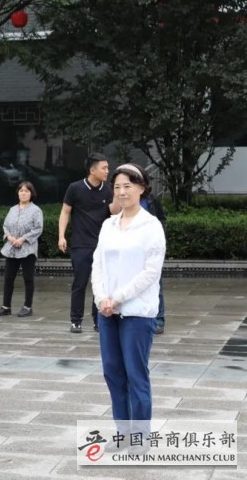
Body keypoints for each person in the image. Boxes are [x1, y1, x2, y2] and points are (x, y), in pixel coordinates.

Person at [92, 163, 165, 447]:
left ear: (141, 188)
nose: (122, 192)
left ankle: (140, 437)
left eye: (128, 186)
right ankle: (122, 433)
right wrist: (101, 298)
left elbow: (150, 272)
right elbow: (98, 264)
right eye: (117, 187)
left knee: (136, 375)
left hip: (136, 312)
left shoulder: (151, 226)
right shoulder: (108, 225)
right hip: (108, 311)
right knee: (113, 373)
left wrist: (118, 297)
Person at [58, 153, 119, 333]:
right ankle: (75, 320)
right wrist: (61, 236)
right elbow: (65, 212)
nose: (107, 171)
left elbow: (115, 212)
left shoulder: (108, 190)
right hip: (81, 244)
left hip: (103, 245)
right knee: (80, 283)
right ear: (92, 170)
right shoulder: (75, 188)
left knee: (100, 284)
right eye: (104, 168)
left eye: (108, 168)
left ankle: (98, 319)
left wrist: (117, 193)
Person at [0, 181, 44, 317]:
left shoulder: (36, 210)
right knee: (8, 278)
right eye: (21, 191)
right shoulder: (12, 209)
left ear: (31, 193)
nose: (23, 193)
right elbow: (5, 226)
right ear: (18, 193)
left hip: (28, 249)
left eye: (26, 191)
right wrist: (9, 237)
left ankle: (27, 307)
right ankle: (6, 306)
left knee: (28, 278)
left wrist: (23, 239)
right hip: (12, 248)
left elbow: (38, 228)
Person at [141, 192, 167, 334]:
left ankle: (159, 319)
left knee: (156, 283)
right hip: (131, 248)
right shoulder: (121, 199)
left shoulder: (151, 199)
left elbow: (162, 218)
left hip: (150, 248)